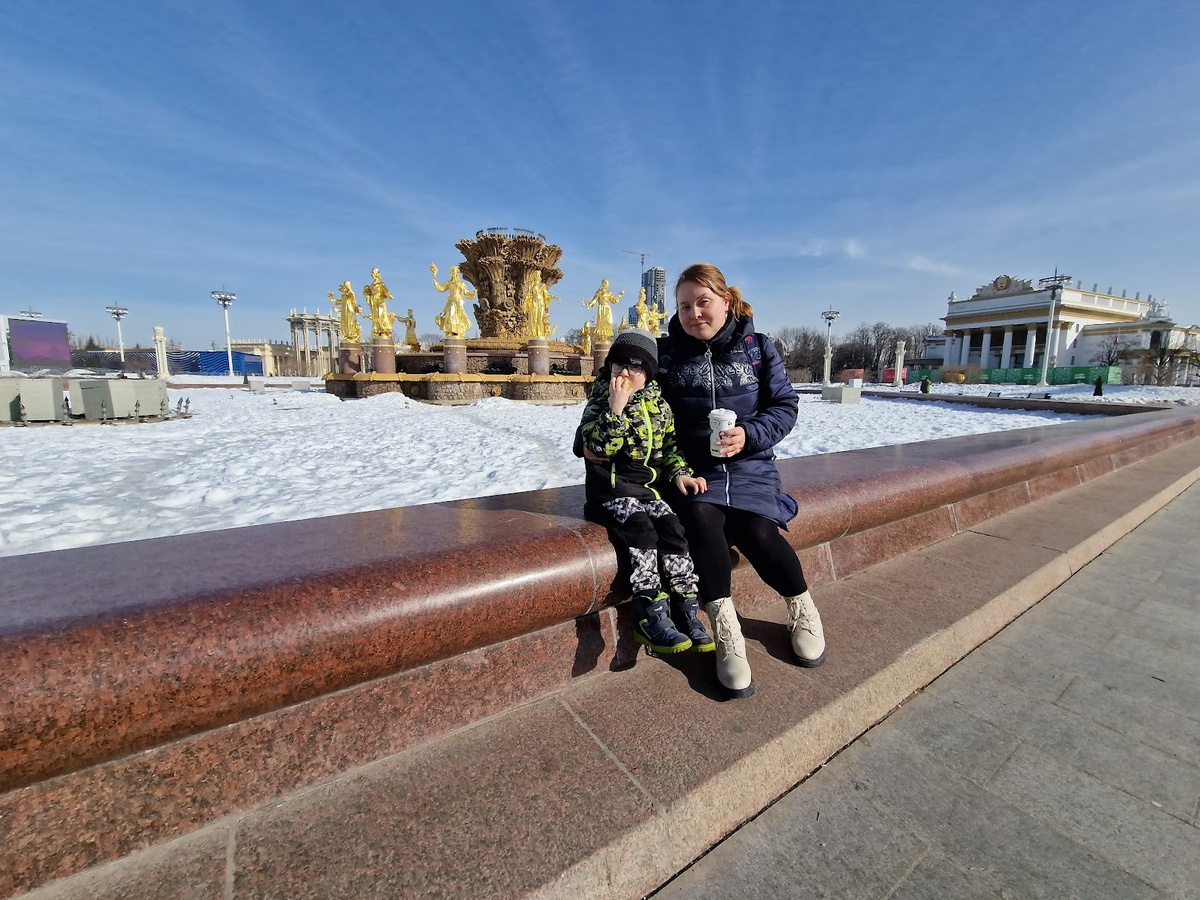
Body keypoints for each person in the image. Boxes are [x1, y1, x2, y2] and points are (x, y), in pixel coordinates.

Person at [655, 263, 826, 698]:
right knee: (701, 520)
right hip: (693, 471)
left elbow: (785, 406)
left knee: (756, 530)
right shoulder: (667, 354)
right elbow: (635, 398)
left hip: (750, 466)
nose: (694, 313)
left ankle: (802, 606)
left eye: (703, 302)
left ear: (725, 302)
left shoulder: (759, 348)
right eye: (685, 305)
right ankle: (726, 631)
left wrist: (749, 435)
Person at [578, 328, 714, 655]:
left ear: (648, 374)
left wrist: (679, 473)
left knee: (673, 528)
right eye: (619, 365)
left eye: (635, 367)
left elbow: (669, 448)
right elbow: (599, 447)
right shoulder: (600, 400)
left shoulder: (660, 407)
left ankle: (685, 608)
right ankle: (648, 612)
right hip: (610, 492)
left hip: (647, 491)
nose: (624, 373)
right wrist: (616, 409)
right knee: (641, 530)